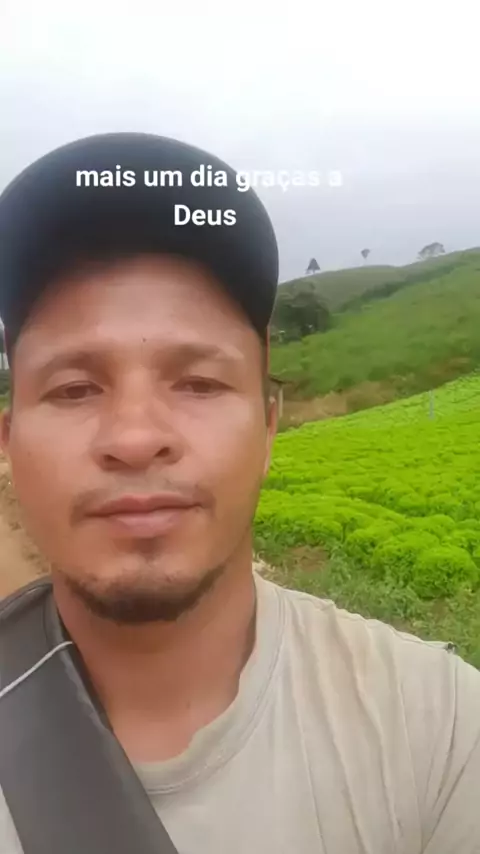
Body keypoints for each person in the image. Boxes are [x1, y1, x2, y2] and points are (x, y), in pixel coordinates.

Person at [0, 133, 479, 854]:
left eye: (198, 382)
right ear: (9, 445)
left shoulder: (440, 730)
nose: (135, 437)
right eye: (73, 389)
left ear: (268, 425)